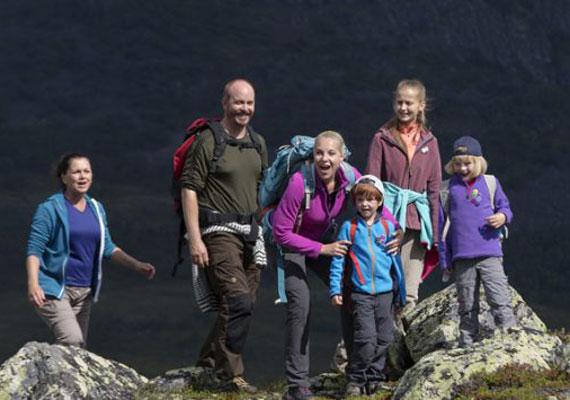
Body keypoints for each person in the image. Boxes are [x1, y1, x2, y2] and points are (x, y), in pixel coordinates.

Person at [271, 131, 402, 400]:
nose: (325, 159)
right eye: (319, 153)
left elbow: (378, 204)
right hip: (293, 245)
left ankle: (358, 374)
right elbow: (280, 232)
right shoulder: (299, 182)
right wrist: (322, 249)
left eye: (331, 153)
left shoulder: (350, 177)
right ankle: (297, 385)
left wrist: (396, 232)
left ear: (342, 157)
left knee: (352, 290)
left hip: (323, 241)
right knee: (301, 305)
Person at [180, 79, 268, 393]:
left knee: (241, 306)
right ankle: (231, 376)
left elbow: (261, 189)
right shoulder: (208, 141)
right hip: (217, 232)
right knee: (238, 299)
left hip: (250, 234)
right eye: (238, 102)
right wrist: (195, 238)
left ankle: (206, 366)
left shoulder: (258, 142)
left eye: (249, 103)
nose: (244, 109)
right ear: (225, 103)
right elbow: (190, 189)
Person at [26, 153, 156, 348]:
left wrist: (136, 265)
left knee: (78, 351)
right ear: (64, 177)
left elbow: (107, 246)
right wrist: (33, 284)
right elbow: (34, 249)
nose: (82, 176)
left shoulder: (96, 208)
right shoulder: (50, 209)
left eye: (86, 171)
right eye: (76, 172)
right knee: (71, 339)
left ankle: (54, 377)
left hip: (85, 291)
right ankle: (41, 366)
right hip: (54, 289)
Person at [365, 79, 441, 310]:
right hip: (386, 222)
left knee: (409, 292)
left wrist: (436, 235)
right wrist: (373, 221)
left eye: (409, 103)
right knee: (384, 286)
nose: (403, 108)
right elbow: (371, 183)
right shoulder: (382, 139)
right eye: (399, 102)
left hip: (417, 225)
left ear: (421, 105)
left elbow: (434, 190)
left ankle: (401, 344)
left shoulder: (431, 143)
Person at [329, 175, 405, 397]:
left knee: (385, 338)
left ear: (380, 201)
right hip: (360, 294)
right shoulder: (349, 228)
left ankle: (374, 377)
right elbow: (338, 261)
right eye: (360, 198)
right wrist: (335, 289)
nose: (365, 203)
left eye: (371, 199)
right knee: (366, 339)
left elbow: (395, 263)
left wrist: (399, 291)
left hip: (385, 294)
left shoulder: (389, 227)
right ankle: (355, 379)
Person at [438, 136, 516, 347]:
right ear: (452, 165)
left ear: (478, 162)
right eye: (458, 164)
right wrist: (445, 261)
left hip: (490, 252)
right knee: (466, 303)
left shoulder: (490, 183)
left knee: (499, 296)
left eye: (468, 163)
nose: (463, 168)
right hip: (462, 257)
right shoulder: (446, 189)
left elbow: (505, 208)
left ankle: (509, 337)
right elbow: (441, 228)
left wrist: (502, 217)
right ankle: (468, 343)